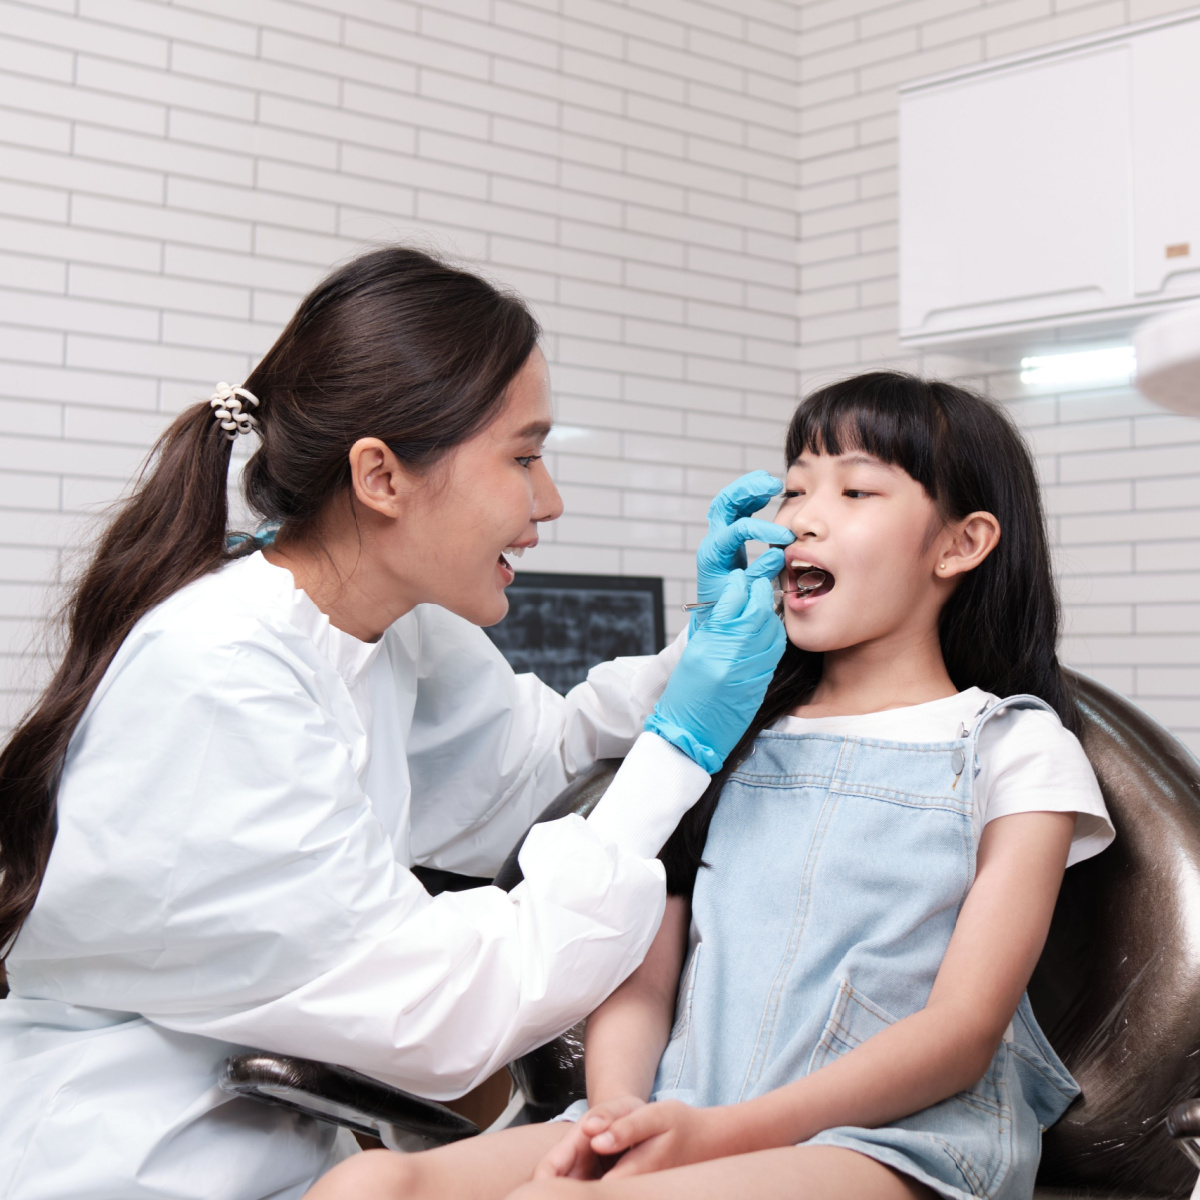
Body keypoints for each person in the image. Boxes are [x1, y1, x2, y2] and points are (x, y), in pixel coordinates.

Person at [0, 247, 797, 1200]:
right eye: (524, 457)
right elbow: (443, 1017)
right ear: (381, 476)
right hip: (138, 1165)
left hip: (274, 1148)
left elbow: (529, 768)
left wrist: (698, 653)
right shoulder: (220, 678)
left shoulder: (378, 622)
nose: (549, 501)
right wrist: (683, 748)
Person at [305, 371, 1115, 1200]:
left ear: (960, 544)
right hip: (683, 1111)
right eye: (795, 487)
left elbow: (963, 1033)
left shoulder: (1012, 750)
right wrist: (618, 1113)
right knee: (370, 1184)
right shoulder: (736, 734)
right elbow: (645, 972)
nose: (802, 515)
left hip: (885, 1148)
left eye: (856, 488)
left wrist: (713, 1139)